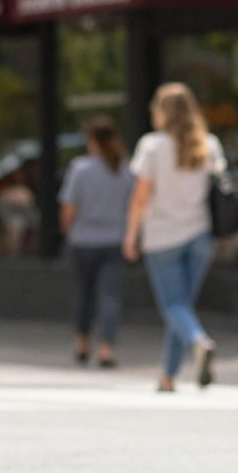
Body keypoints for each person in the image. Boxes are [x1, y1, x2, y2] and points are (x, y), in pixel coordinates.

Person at [123, 83, 226, 393]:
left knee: (174, 306)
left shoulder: (152, 146)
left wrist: (130, 234)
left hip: (162, 236)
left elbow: (140, 197)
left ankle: (198, 342)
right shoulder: (209, 144)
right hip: (200, 235)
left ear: (163, 112)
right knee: (182, 307)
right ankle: (168, 376)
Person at [60, 117, 133, 369]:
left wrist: (67, 231)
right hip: (115, 240)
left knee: (84, 293)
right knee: (110, 296)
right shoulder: (124, 169)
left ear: (91, 141)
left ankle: (82, 344)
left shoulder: (80, 168)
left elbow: (69, 208)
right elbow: (132, 206)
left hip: (83, 241)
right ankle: (106, 349)